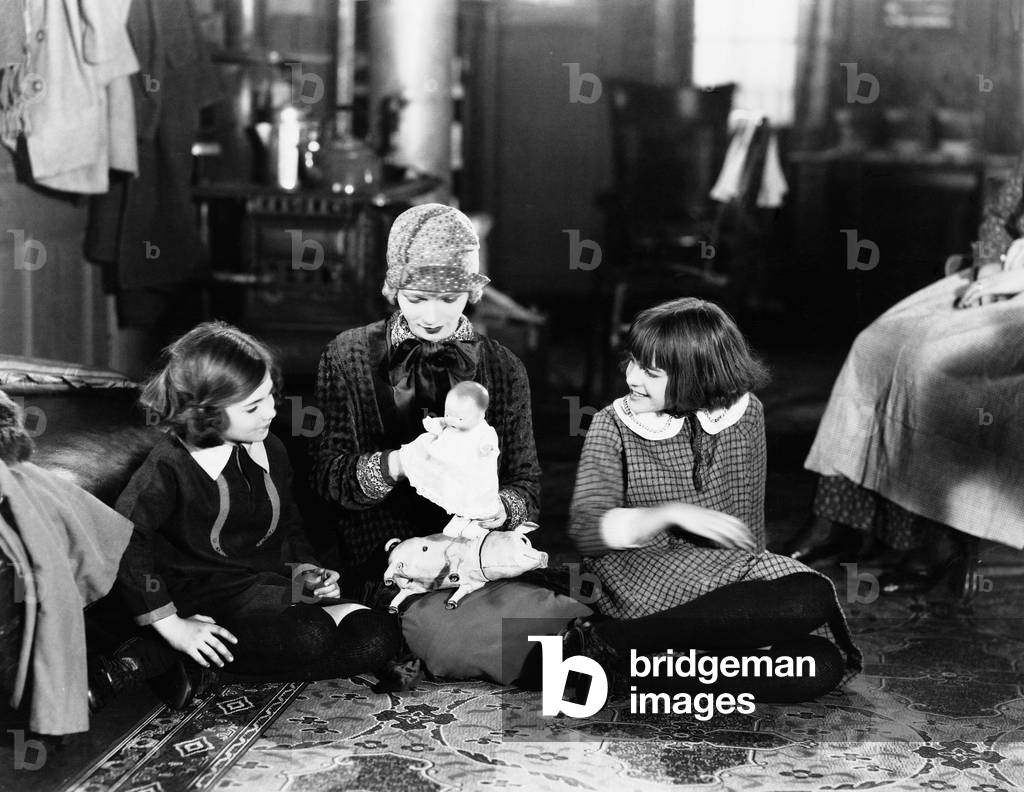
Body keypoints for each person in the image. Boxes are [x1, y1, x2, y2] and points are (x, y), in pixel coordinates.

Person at [89, 322, 401, 709]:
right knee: (311, 635)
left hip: (264, 587)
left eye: (271, 395)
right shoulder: (171, 465)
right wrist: (170, 625)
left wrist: (306, 571)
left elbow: (288, 525)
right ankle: (165, 649)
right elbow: (124, 539)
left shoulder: (271, 447)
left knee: (377, 637)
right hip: (200, 594)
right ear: (207, 413)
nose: (271, 411)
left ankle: (202, 668)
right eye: (253, 406)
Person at [566, 298, 860, 703]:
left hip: (722, 581)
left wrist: (744, 626)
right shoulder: (611, 423)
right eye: (632, 362)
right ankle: (616, 639)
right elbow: (585, 534)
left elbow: (747, 539)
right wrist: (667, 514)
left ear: (698, 375)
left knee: (819, 649)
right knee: (798, 620)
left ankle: (618, 664)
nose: (632, 378)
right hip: (637, 579)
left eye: (650, 372)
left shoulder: (747, 413)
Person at [796, 153, 1024, 592]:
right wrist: (992, 265)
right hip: (1000, 278)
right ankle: (840, 519)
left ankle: (932, 541)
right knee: (876, 343)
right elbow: (998, 215)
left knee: (930, 364)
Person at [309, 203, 541, 599]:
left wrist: (499, 509)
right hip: (379, 553)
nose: (432, 316)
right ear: (392, 289)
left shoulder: (504, 367)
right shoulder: (347, 355)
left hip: (472, 553)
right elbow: (327, 481)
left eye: (449, 299)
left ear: (471, 292)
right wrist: (399, 463)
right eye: (416, 299)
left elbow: (527, 489)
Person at [401, 381, 501, 537]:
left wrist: (486, 447)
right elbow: (438, 424)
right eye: (448, 414)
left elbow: (490, 441)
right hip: (456, 472)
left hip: (474, 474)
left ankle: (479, 522)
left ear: (480, 415)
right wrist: (431, 423)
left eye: (459, 418)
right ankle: (461, 516)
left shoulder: (483, 430)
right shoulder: (449, 423)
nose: (452, 421)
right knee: (458, 496)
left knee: (476, 498)